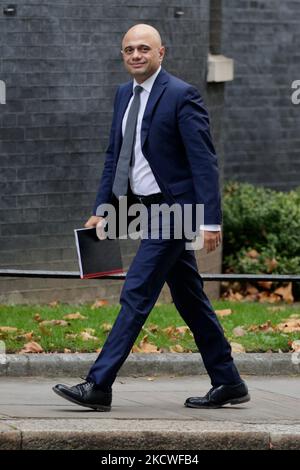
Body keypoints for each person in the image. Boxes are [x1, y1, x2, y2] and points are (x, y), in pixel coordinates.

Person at [53, 24, 250, 411]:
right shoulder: (123, 94)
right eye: (129, 50)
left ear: (162, 53)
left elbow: (204, 161)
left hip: (175, 209)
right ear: (123, 56)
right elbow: (115, 155)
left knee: (137, 291)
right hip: (140, 207)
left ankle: (98, 384)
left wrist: (211, 220)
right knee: (190, 298)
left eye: (144, 48)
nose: (136, 55)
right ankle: (228, 381)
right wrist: (101, 209)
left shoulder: (181, 95)